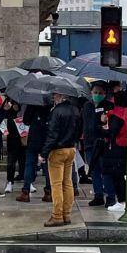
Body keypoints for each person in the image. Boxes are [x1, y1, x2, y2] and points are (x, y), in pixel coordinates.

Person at [40, 92, 81, 227]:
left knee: (56, 184)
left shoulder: (56, 111)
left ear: (61, 96)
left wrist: (44, 153)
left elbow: (52, 134)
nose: (54, 97)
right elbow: (79, 130)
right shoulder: (75, 110)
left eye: (55, 95)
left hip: (57, 150)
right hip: (71, 149)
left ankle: (57, 215)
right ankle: (66, 214)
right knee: (67, 183)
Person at [82, 83, 115, 207]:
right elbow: (84, 123)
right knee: (94, 170)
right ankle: (98, 195)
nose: (97, 95)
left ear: (105, 94)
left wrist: (105, 121)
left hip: (103, 143)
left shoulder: (109, 106)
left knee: (105, 170)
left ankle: (111, 196)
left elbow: (111, 126)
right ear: (91, 92)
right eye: (95, 92)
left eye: (100, 93)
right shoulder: (87, 105)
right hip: (89, 143)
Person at [16, 103, 51, 202]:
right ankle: (48, 192)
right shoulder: (50, 103)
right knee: (47, 166)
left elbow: (26, 120)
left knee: (30, 165)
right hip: (46, 137)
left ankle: (25, 192)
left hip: (34, 137)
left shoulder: (32, 102)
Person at [102, 91, 127, 212]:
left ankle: (122, 201)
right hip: (125, 146)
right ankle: (123, 200)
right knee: (120, 175)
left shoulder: (116, 115)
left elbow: (112, 132)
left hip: (116, 148)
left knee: (117, 175)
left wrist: (101, 128)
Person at [1, 97, 25, 194]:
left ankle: (26, 179)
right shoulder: (9, 112)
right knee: (11, 163)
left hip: (22, 141)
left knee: (23, 161)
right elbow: (3, 122)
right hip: (12, 141)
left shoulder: (23, 111)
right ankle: (10, 181)